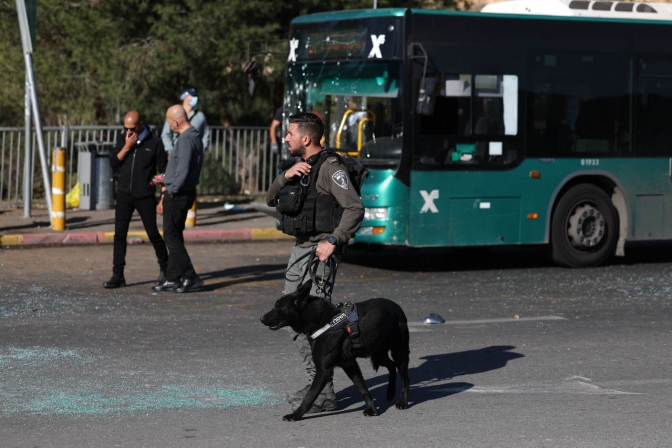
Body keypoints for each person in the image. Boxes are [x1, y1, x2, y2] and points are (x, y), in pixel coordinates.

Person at [265, 112, 365, 413]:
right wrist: (285, 176)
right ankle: (319, 385)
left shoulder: (330, 168)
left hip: (320, 253)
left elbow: (354, 208)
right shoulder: (301, 168)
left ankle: (322, 390)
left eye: (290, 133)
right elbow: (271, 198)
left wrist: (333, 240)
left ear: (305, 138)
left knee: (316, 324)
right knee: (293, 320)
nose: (285, 138)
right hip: (301, 250)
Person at [103, 111, 168, 289]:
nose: (129, 132)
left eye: (132, 129)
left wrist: (162, 198)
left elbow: (163, 172)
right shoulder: (122, 139)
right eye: (126, 129)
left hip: (145, 195)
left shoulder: (154, 143)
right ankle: (118, 275)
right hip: (124, 195)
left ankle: (166, 269)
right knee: (119, 234)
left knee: (153, 233)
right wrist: (126, 147)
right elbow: (113, 163)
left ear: (141, 124)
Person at [153, 105, 204, 293]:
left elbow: (182, 171)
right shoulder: (194, 137)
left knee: (171, 236)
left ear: (176, 121)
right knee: (174, 235)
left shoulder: (185, 140)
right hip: (184, 192)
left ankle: (191, 276)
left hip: (178, 194)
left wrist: (171, 189)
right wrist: (165, 179)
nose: (169, 126)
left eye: (169, 122)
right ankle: (173, 277)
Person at [161, 88, 210, 155]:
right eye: (192, 96)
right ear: (185, 97)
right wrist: (171, 151)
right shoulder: (174, 112)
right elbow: (166, 134)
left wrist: (202, 150)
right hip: (176, 152)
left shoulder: (200, 116)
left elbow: (205, 135)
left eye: (196, 96)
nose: (195, 98)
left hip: (194, 154)